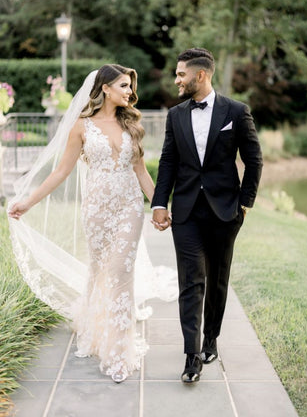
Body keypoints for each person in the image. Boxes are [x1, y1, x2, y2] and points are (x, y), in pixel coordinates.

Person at [8, 64, 169, 384]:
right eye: (123, 86)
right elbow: (60, 172)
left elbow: (141, 172)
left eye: (129, 87)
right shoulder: (81, 127)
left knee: (120, 273)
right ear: (105, 88)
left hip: (128, 208)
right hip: (96, 211)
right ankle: (94, 329)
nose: (129, 92)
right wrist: (27, 202)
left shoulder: (131, 125)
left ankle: (119, 352)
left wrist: (159, 206)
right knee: (99, 271)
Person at [151, 48, 263, 383]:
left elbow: (254, 160)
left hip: (225, 211)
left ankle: (211, 337)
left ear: (201, 75)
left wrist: (245, 203)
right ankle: (191, 355)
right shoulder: (175, 116)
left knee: (217, 278)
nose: (176, 80)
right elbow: (168, 161)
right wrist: (159, 203)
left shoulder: (236, 111)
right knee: (191, 281)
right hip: (185, 211)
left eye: (181, 74)